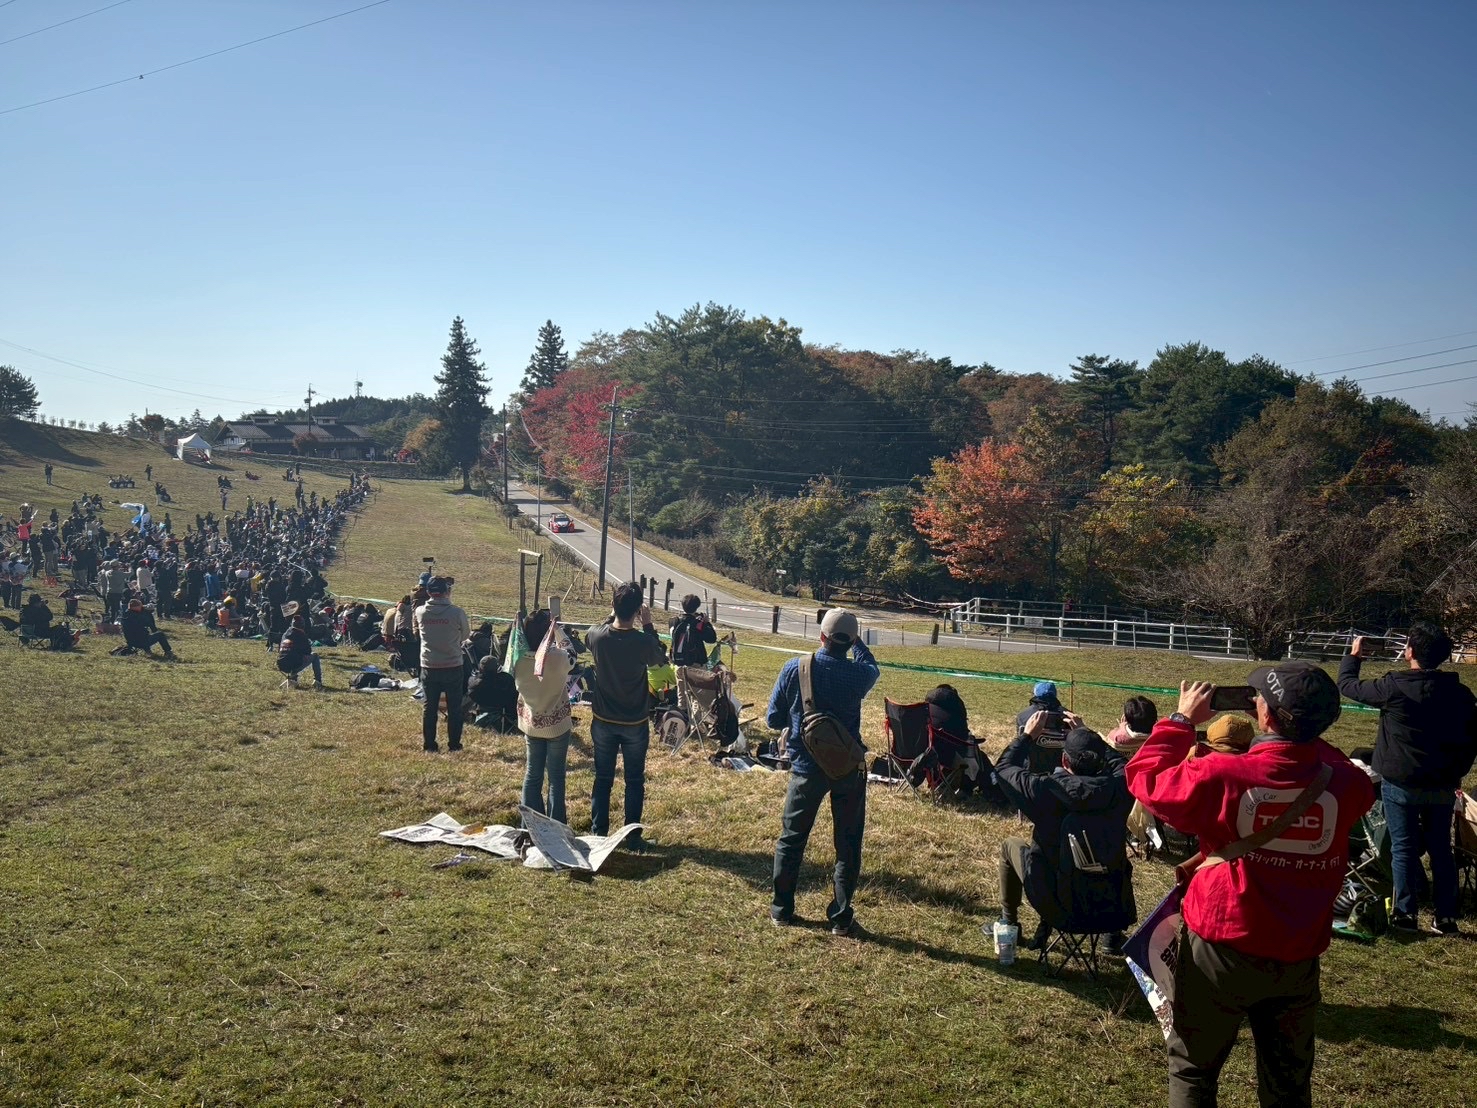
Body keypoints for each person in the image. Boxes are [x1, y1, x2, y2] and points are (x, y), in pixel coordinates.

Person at [1126, 664, 1376, 1108]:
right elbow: (1336, 766)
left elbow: (1148, 781)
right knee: (1288, 1083)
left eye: (1259, 697)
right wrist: (1300, 735)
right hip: (1298, 951)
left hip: (1222, 943)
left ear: (1267, 715)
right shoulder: (1347, 785)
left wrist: (1181, 721)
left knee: (1193, 1066)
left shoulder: (1224, 774)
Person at [1338, 624, 1477, 935]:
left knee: (1403, 848)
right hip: (1442, 782)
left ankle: (1405, 915)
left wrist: (1354, 656)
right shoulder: (1460, 694)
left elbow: (1348, 686)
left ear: (1410, 651)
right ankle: (1445, 917)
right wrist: (1458, 770)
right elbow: (1472, 738)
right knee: (1441, 848)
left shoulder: (1394, 687)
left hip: (1400, 781)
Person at [766, 608, 879, 935]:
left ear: (821, 637)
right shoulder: (859, 675)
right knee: (847, 843)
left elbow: (773, 719)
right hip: (848, 769)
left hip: (805, 768)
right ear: (851, 642)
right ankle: (841, 918)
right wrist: (858, 643)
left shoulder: (795, 668)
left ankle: (782, 910)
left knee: (791, 839)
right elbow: (872, 666)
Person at [994, 716, 1135, 951]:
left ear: (1064, 760)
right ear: (1101, 762)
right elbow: (1124, 765)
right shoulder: (1120, 788)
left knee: (1011, 845)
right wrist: (1089, 737)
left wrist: (1027, 736)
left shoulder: (1045, 790)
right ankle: (1111, 937)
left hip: (1058, 906)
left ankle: (1008, 922)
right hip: (1111, 907)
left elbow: (1003, 769)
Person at [584, 582, 667, 844]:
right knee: (634, 779)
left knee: (603, 777)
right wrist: (649, 625)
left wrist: (611, 615)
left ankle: (599, 833)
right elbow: (660, 658)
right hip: (634, 721)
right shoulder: (643, 641)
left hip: (603, 719)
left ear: (613, 606)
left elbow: (592, 633)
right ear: (638, 611)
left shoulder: (597, 636)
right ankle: (632, 836)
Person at [512, 608, 573, 823]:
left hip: (531, 722)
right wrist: (558, 631)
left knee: (532, 774)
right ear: (549, 632)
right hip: (557, 724)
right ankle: (557, 825)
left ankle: (530, 824)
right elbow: (572, 653)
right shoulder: (558, 658)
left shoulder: (517, 660)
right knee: (556, 777)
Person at [415, 576, 470, 753]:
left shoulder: (420, 612)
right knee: (455, 708)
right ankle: (454, 744)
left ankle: (429, 744)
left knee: (429, 707)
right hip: (453, 664)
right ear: (447, 591)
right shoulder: (457, 612)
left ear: (428, 592)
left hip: (429, 665)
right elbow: (465, 635)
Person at [276, 610, 324, 690]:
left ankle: (293, 679)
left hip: (281, 664)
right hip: (292, 664)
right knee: (314, 655)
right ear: (302, 625)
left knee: (293, 655)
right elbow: (308, 651)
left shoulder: (285, 634)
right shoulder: (300, 634)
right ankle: (318, 681)